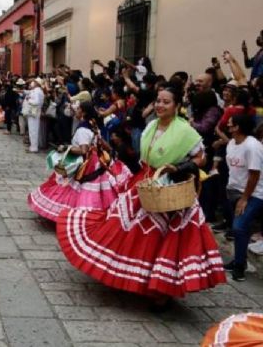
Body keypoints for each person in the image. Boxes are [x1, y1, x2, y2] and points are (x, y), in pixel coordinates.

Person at [56, 85, 226, 305]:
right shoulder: (151, 126)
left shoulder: (186, 132)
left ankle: (160, 289)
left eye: (166, 102)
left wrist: (180, 167)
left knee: (163, 237)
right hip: (145, 181)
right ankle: (134, 278)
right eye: (158, 101)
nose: (160, 105)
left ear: (177, 106)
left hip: (170, 187)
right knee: (130, 229)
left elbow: (201, 157)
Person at [28, 102, 130, 221]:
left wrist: (67, 148)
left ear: (83, 112)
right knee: (96, 190)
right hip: (97, 163)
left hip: (85, 164)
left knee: (72, 189)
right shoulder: (94, 125)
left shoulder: (83, 129)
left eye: (77, 109)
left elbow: (83, 150)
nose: (75, 111)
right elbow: (100, 142)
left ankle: (76, 214)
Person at [222, 114, 263, 281]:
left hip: (254, 194)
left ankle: (239, 267)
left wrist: (244, 198)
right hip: (234, 191)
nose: (227, 124)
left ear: (237, 126)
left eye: (230, 122)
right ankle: (239, 261)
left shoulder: (253, 146)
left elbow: (254, 174)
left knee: (239, 227)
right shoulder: (232, 143)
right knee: (241, 229)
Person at [23, 78, 45, 153]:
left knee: (33, 130)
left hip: (34, 112)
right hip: (35, 112)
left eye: (34, 82)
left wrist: (29, 100)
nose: (32, 82)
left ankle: (34, 147)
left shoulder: (37, 91)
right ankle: (33, 146)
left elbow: (36, 102)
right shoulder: (38, 90)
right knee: (33, 129)